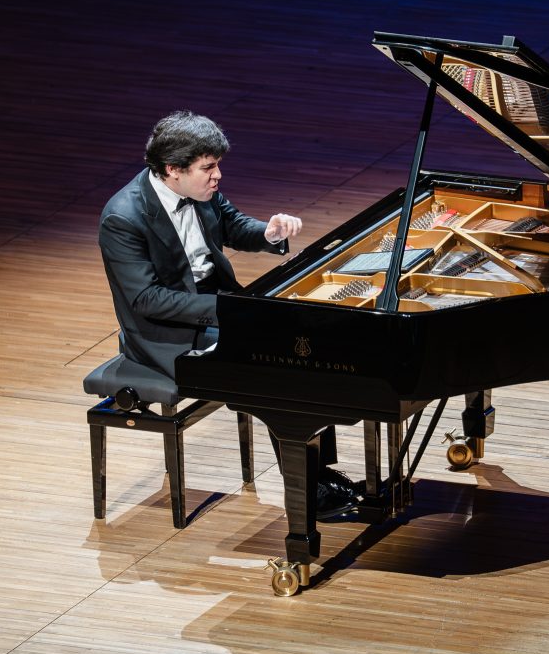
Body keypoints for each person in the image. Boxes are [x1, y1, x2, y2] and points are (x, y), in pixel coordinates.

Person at [98, 110, 359, 517]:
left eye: (217, 164)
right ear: (173, 170)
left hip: (215, 307)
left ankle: (318, 473)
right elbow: (148, 300)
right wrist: (232, 311)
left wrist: (268, 233)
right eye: (208, 168)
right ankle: (306, 491)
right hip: (165, 334)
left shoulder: (200, 191)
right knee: (277, 364)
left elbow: (233, 225)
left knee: (305, 343)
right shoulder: (123, 217)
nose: (217, 175)